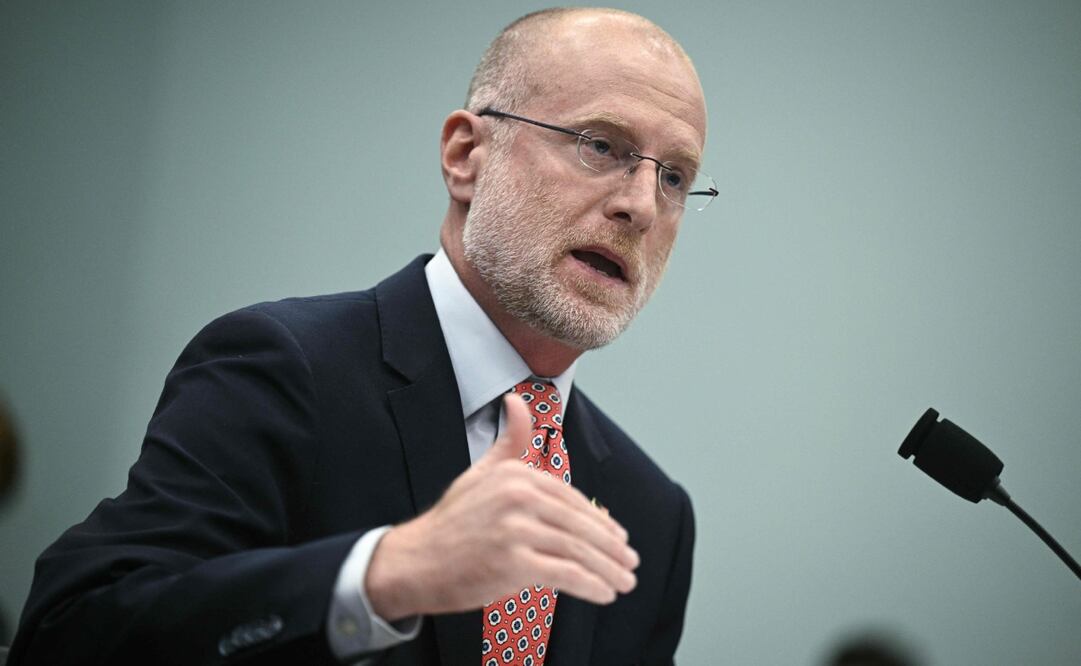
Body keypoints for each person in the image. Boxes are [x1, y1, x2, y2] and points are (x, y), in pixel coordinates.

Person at [10, 7, 713, 665]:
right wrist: (382, 576)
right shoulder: (284, 368)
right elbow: (70, 629)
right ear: (466, 154)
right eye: (600, 145)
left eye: (675, 176)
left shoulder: (650, 512)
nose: (640, 206)